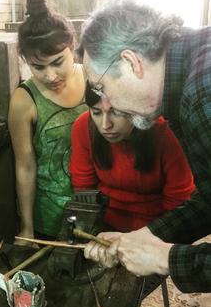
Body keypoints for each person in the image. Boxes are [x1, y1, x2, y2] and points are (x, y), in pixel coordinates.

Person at [80, 0, 211, 293]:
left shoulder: (204, 95)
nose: (107, 103)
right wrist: (145, 237)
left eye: (100, 86)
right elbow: (210, 200)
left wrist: (166, 258)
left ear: (131, 62)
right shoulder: (194, 59)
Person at [8, 0, 87, 241]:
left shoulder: (91, 77)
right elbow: (25, 166)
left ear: (71, 47)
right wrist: (27, 226)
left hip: (97, 204)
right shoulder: (24, 100)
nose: (51, 76)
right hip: (50, 216)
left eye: (57, 62)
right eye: (38, 67)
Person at [70, 96, 194, 232]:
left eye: (116, 113)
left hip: (156, 227)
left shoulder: (164, 134)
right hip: (103, 220)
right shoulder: (83, 126)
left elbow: (178, 200)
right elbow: (84, 186)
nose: (105, 125)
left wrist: (150, 237)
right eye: (96, 112)